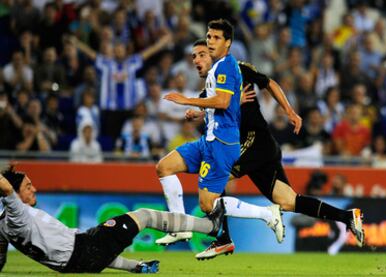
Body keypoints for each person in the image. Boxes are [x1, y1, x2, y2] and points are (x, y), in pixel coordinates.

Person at [173, 39, 365, 259]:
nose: (197, 61)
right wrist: (196, 112)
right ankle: (348, 217)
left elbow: (269, 83)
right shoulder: (210, 87)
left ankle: (224, 239)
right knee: (288, 201)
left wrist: (290, 111)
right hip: (260, 147)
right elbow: (213, 107)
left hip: (255, 140)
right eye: (194, 57)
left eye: (201, 55)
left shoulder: (237, 69)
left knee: (218, 177)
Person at [157, 19, 284, 247]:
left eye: (213, 40)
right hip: (207, 140)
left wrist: (188, 100)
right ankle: (179, 227)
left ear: (227, 42)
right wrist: (200, 111)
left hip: (222, 143)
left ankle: (267, 214)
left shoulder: (225, 66)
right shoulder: (216, 72)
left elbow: (224, 102)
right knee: (164, 167)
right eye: (208, 38)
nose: (197, 59)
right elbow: (224, 104)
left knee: (208, 204)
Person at [0, 167, 226, 274]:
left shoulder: (3, 226)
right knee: (145, 215)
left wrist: (133, 266)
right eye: (28, 186)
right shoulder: (17, 215)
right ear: (14, 196)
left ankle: (138, 268)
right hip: (86, 247)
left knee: (92, 242)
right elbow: (6, 188)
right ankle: (210, 226)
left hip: (77, 262)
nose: (35, 189)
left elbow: (0, 258)